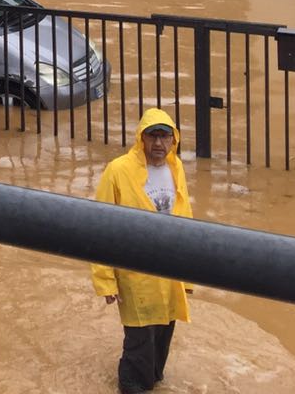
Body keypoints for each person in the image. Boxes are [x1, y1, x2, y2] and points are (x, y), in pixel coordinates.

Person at [90, 108, 193, 393]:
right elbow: (99, 226)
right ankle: (131, 385)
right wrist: (105, 280)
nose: (159, 144)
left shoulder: (176, 168)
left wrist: (190, 272)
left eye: (165, 137)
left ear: (174, 141)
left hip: (169, 271)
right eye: (153, 136)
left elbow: (185, 216)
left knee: (163, 337)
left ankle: (154, 381)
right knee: (139, 341)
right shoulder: (119, 170)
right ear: (141, 139)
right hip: (135, 273)